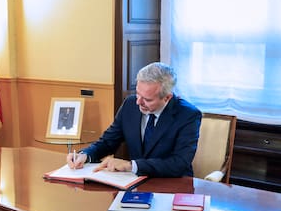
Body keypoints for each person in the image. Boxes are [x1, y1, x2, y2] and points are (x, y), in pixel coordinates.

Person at [66, 62, 201, 177]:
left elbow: (179, 163)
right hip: (132, 182)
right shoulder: (130, 104)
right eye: (137, 94)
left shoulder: (188, 115)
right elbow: (108, 142)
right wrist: (85, 155)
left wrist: (132, 165)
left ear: (167, 98)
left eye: (147, 99)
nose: (138, 102)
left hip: (172, 184)